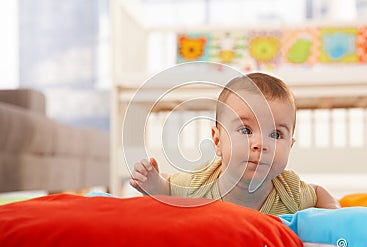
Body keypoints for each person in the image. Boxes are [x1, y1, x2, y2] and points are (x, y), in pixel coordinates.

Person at [130, 72, 340, 215]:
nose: (260, 144)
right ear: (218, 141)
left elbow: (318, 193)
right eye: (246, 130)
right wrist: (152, 183)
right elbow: (168, 189)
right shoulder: (199, 185)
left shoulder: (290, 192)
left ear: (290, 146)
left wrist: (335, 217)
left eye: (276, 134)